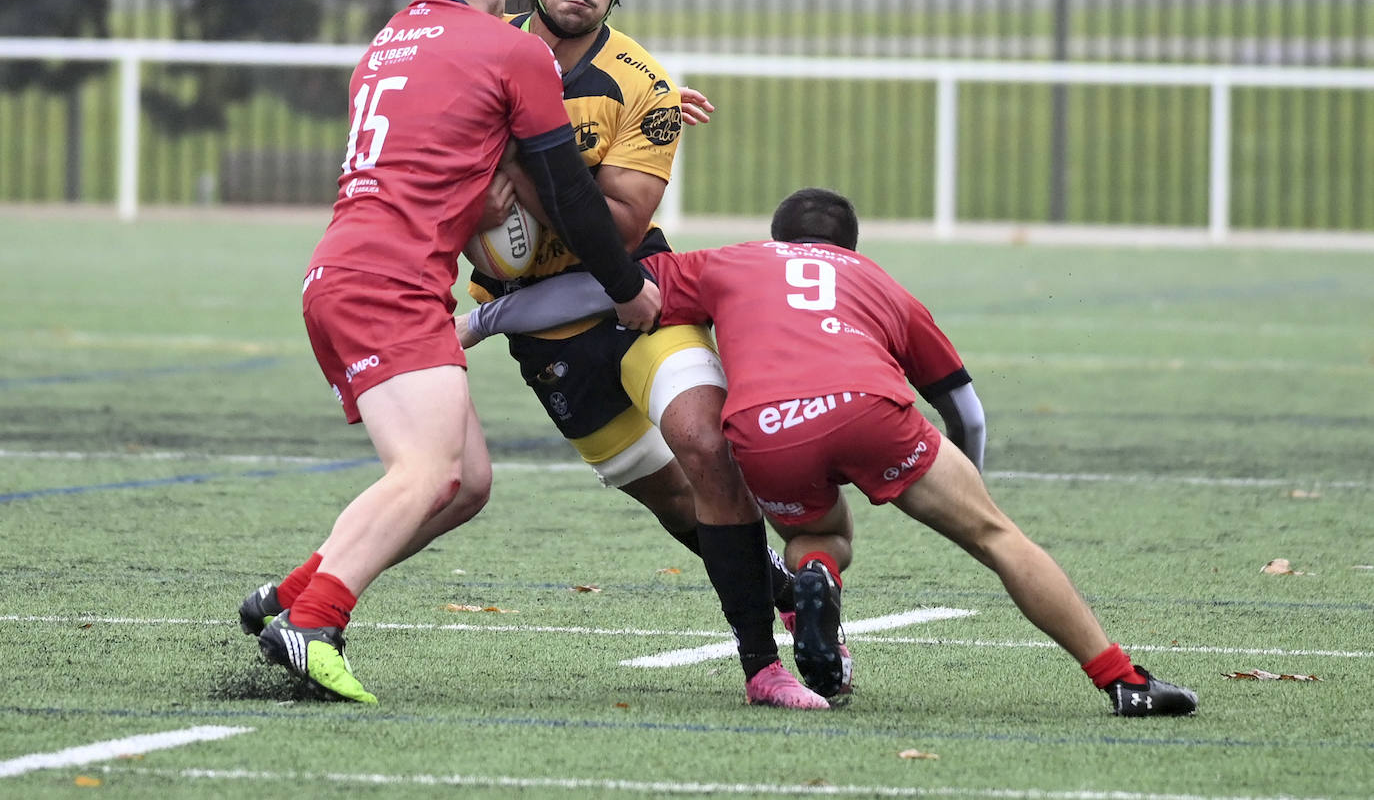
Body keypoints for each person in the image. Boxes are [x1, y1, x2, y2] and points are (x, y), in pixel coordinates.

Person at [462, 188, 1200, 717]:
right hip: (868, 409)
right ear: (850, 247)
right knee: (997, 537)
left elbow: (599, 293)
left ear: (778, 235)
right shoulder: (878, 280)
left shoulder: (735, 261)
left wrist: (485, 319)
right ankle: (1121, 678)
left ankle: (812, 576)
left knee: (821, 533)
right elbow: (963, 407)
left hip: (762, 429)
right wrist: (972, 480)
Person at [237, 0, 659, 704]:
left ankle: (289, 596)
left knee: (466, 482)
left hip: (348, 270)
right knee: (425, 469)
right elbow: (570, 194)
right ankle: (316, 622)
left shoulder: (388, 42)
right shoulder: (508, 51)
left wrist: (475, 202)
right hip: (388, 282)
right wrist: (626, 286)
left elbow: (430, 152)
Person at [461, 0, 821, 709]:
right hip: (541, 328)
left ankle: (763, 666)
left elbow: (618, 226)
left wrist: (522, 167)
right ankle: (787, 594)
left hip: (637, 298)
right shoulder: (480, 54)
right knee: (674, 501)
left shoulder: (644, 85)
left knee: (705, 445)